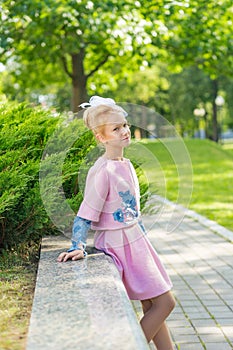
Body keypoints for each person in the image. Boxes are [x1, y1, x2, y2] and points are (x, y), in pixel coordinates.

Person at [57, 96, 175, 349]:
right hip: (119, 245)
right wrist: (76, 246)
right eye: (116, 128)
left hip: (137, 242)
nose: (124, 131)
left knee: (152, 305)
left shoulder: (127, 165)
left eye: (125, 125)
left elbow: (134, 213)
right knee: (166, 303)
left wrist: (144, 240)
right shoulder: (103, 171)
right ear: (101, 137)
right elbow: (85, 214)